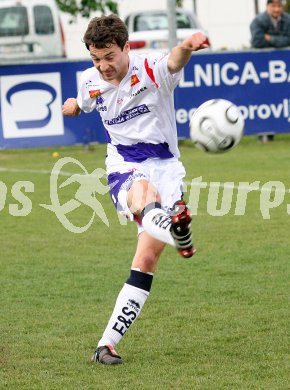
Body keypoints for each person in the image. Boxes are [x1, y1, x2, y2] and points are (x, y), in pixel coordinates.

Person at [62, 14, 208, 365]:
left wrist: (187, 46)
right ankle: (177, 231)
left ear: (126, 48)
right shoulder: (90, 80)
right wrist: (73, 106)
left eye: (110, 57)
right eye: (96, 59)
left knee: (145, 260)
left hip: (167, 167)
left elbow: (174, 59)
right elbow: (82, 102)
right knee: (145, 194)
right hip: (125, 166)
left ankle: (106, 345)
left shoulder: (151, 69)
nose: (103, 66)